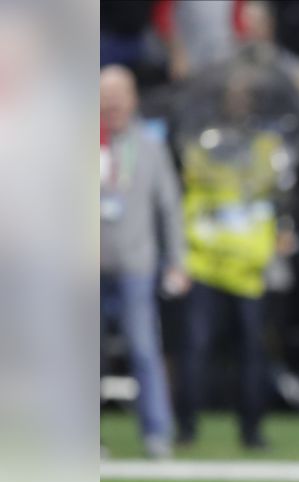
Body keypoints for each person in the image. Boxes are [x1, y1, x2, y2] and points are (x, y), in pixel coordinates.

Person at [174, 68, 293, 450]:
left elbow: (277, 189)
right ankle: (186, 428)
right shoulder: (200, 143)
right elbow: (195, 178)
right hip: (205, 260)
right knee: (195, 348)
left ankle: (252, 430)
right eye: (233, 94)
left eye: (246, 94)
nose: (239, 101)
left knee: (253, 352)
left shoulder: (266, 145)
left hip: (250, 265)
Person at [99, 65, 189, 459]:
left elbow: (169, 207)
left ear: (134, 98)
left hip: (136, 262)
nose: (113, 102)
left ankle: (156, 433)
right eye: (106, 94)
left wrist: (178, 260)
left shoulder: (149, 144)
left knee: (143, 348)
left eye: (120, 94)